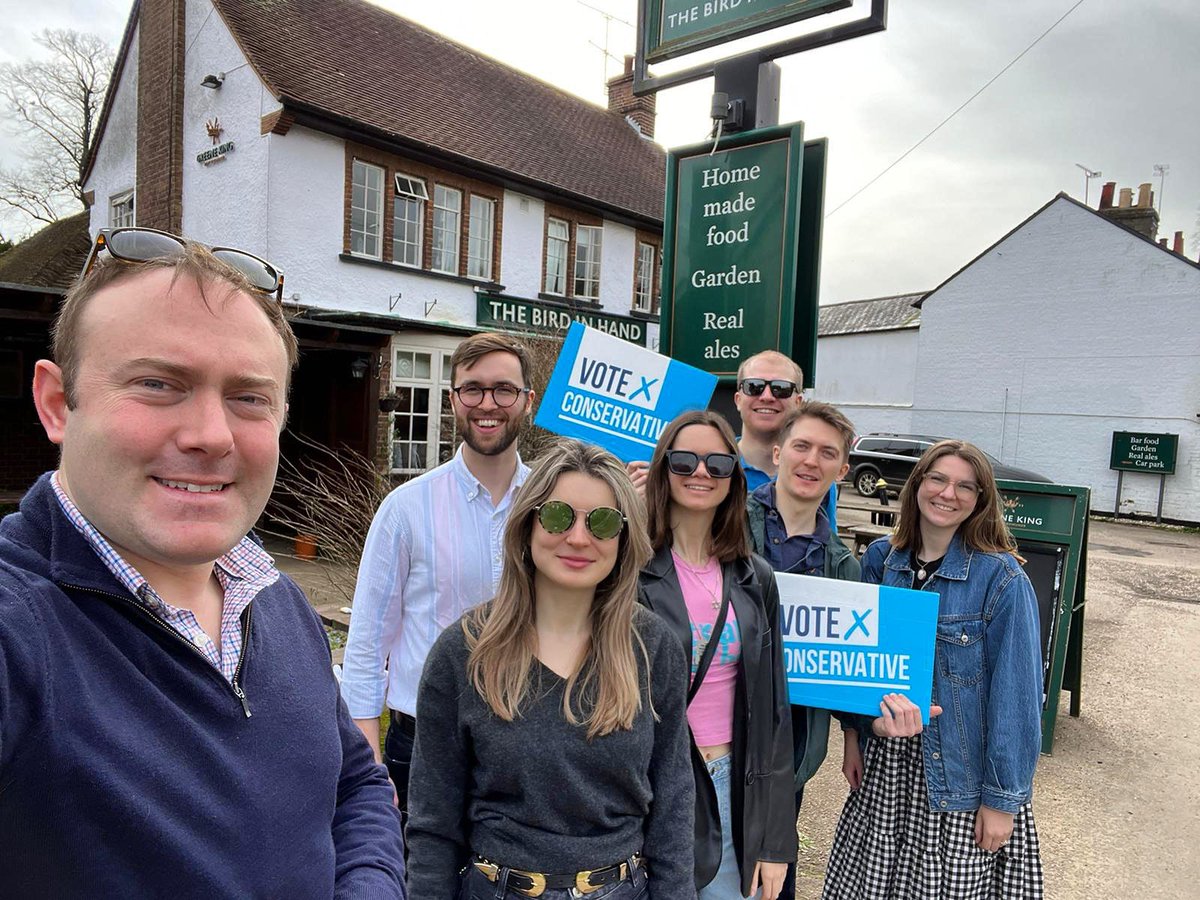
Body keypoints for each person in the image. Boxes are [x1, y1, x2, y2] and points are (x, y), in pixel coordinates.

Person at [1, 228, 405, 896]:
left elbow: (355, 783)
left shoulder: (274, 598)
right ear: (56, 404)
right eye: (159, 384)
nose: (211, 436)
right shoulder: (20, 630)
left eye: (248, 397)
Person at [406, 439, 695, 899]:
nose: (578, 538)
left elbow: (674, 808)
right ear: (527, 526)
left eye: (602, 522)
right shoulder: (462, 653)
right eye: (558, 516)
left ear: (623, 540)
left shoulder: (653, 648)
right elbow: (433, 825)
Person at [824, 439, 1045, 899]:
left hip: (958, 775)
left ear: (981, 500)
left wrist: (1002, 801)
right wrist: (856, 734)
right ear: (918, 483)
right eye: (938, 479)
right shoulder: (882, 560)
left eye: (966, 486)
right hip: (890, 767)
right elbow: (860, 667)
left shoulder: (1002, 579)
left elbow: (1017, 699)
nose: (948, 494)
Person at [342, 331, 536, 813]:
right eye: (472, 388)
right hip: (424, 745)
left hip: (531, 742)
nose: (487, 403)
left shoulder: (552, 508)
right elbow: (367, 643)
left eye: (504, 389)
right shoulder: (405, 508)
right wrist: (368, 763)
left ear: (527, 401)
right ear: (453, 400)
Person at [638, 410, 795, 900]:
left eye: (716, 463)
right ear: (662, 470)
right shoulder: (626, 569)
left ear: (733, 477)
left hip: (731, 785)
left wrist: (774, 841)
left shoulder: (754, 577)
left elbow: (774, 711)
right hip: (649, 783)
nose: (701, 473)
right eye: (684, 462)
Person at [745, 402, 862, 900]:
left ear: (843, 469)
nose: (812, 461)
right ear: (777, 453)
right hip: (715, 726)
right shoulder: (723, 521)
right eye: (802, 446)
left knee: (774, 871)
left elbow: (853, 661)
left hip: (789, 742)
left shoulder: (845, 566)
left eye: (827, 453)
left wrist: (855, 731)